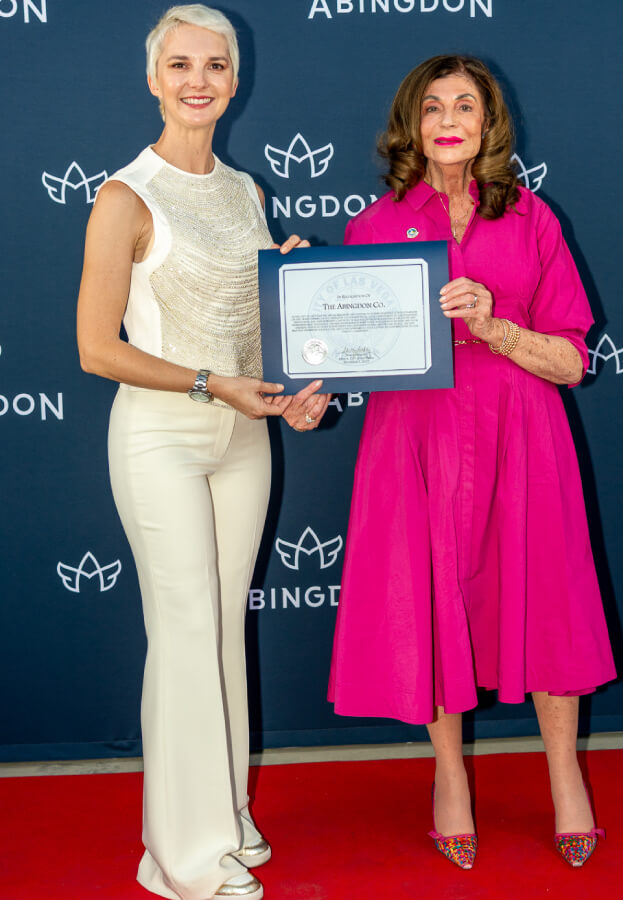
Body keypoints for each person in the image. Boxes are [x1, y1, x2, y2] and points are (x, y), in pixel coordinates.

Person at [328, 54, 616, 870]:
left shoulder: (531, 217)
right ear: (410, 125)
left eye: (465, 105)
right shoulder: (373, 224)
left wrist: (496, 327)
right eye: (431, 106)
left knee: (550, 599)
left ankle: (566, 775)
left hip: (523, 430)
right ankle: (448, 774)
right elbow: (345, 354)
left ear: (489, 124)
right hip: (412, 439)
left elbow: (572, 363)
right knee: (428, 602)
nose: (448, 119)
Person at [77, 6, 329, 899]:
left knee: (220, 632)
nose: (198, 80)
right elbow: (96, 349)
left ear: (235, 78)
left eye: (214, 66)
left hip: (243, 437)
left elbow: (249, 335)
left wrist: (294, 365)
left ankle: (221, 818)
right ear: (153, 78)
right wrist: (209, 385)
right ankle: (182, 860)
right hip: (163, 438)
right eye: (179, 64)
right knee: (184, 635)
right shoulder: (125, 196)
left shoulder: (246, 190)